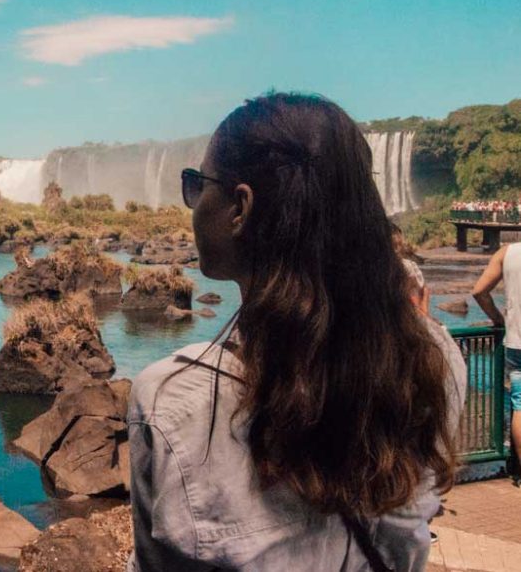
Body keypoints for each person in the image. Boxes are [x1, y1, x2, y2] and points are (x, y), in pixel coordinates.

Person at [128, 93, 465, 571]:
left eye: (197, 184)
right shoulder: (438, 359)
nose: (193, 201)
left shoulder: (172, 400)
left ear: (240, 207)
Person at [471, 243, 521, 480]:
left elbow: (479, 291)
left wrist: (498, 319)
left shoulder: (506, 252)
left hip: (515, 342)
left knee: (520, 406)